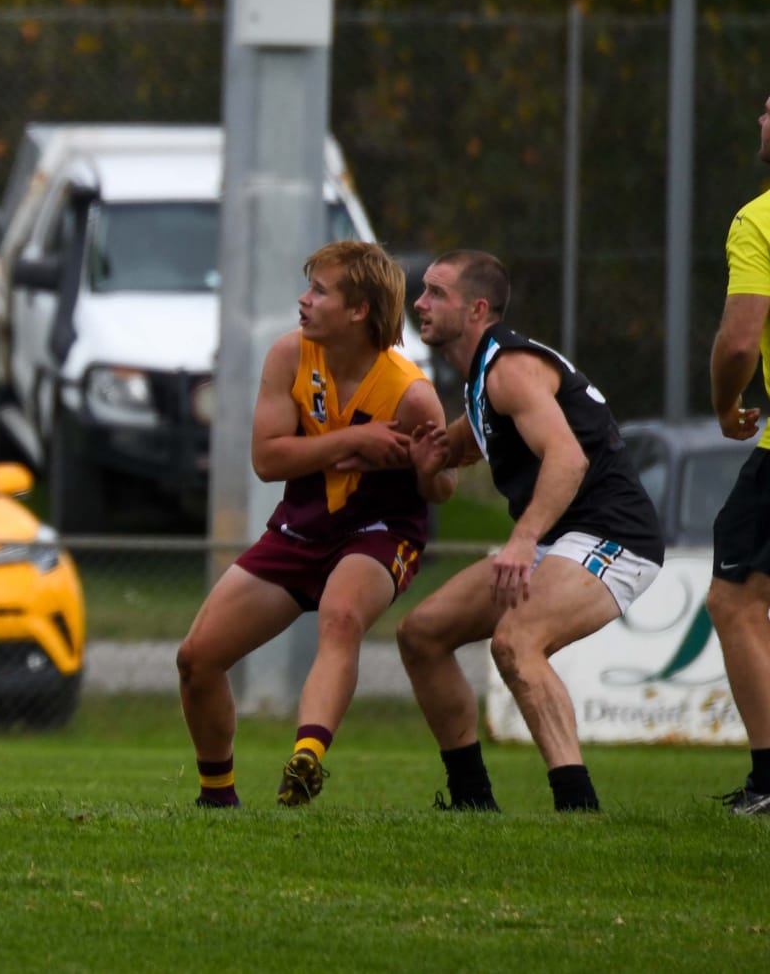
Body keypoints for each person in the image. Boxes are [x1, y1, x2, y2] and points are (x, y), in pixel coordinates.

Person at [175, 241, 452, 808]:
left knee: (341, 616)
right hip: (300, 530)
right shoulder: (290, 355)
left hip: (379, 532)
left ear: (359, 311)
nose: (304, 300)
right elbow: (267, 459)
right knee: (196, 659)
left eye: (320, 291)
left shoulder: (412, 394)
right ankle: (217, 798)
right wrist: (355, 440)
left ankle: (306, 758)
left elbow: (440, 488)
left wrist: (429, 471)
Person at [396, 250, 666, 812]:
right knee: (421, 635)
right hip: (558, 539)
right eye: (423, 291)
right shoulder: (481, 381)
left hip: (614, 536)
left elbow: (568, 459)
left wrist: (520, 541)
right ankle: (472, 802)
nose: (420, 303)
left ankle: (577, 806)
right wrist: (425, 464)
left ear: (477, 309)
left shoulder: (509, 370)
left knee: (516, 642)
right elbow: (448, 467)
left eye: (436, 293)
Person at [704, 98, 770, 817]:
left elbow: (740, 340)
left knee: (736, 599)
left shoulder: (760, 219)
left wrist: (727, 405)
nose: (760, 120)